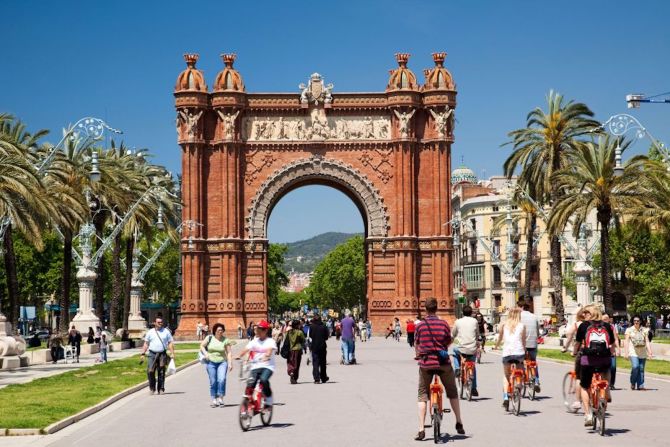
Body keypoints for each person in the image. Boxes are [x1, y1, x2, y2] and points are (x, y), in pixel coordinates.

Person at [414, 297, 465, 441]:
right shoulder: (443, 324)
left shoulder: (420, 326)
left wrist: (419, 354)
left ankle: (421, 429)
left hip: (426, 363)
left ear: (425, 309)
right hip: (443, 362)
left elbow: (417, 344)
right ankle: (459, 421)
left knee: (422, 394)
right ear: (436, 308)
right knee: (452, 392)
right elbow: (449, 341)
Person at [573, 304, 615, 427]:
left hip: (588, 360)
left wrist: (574, 352)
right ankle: (606, 393)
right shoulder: (607, 326)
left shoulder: (583, 326)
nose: (584, 314)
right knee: (606, 378)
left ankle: (588, 414)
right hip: (604, 359)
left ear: (591, 314)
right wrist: (611, 354)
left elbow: (577, 343)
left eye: (586, 312)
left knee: (584, 386)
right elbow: (611, 344)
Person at [236, 320, 277, 409]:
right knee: (250, 383)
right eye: (257, 328)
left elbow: (269, 351)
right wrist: (239, 355)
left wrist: (267, 356)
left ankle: (269, 398)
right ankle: (248, 402)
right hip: (255, 366)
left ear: (265, 331)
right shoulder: (254, 341)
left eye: (260, 329)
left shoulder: (270, 341)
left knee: (263, 380)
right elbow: (246, 349)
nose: (257, 330)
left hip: (267, 366)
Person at [493, 307, 526, 410]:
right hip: (519, 353)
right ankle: (518, 389)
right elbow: (523, 340)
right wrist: (524, 351)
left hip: (507, 354)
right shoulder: (522, 326)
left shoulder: (503, 325)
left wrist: (496, 346)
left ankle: (506, 397)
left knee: (506, 375)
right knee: (521, 372)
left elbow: (500, 338)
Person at [199, 323, 234, 407]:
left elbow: (229, 353)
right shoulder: (209, 338)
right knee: (213, 381)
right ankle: (214, 399)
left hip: (222, 362)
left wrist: (230, 363)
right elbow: (202, 346)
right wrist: (206, 354)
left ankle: (221, 398)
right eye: (219, 330)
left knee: (221, 379)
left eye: (222, 330)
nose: (220, 332)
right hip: (211, 362)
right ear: (215, 331)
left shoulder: (226, 340)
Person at [561, 307, 588, 411]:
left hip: (582, 351)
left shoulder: (577, 325)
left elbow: (569, 338)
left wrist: (566, 348)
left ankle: (577, 401)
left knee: (578, 377)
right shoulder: (592, 324)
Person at [140, 316, 176, 395]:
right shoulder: (150, 332)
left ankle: (161, 388)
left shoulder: (166, 331)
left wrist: (172, 353)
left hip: (162, 354)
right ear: (154, 323)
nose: (160, 323)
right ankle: (152, 388)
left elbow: (170, 343)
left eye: (161, 322)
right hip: (152, 354)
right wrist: (143, 353)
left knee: (161, 372)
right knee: (150, 371)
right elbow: (146, 343)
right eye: (158, 322)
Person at [451, 305, 480, 397]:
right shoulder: (475, 321)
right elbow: (477, 333)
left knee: (454, 351)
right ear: (471, 313)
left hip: (461, 348)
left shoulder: (458, 321)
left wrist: (452, 339)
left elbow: (453, 334)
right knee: (472, 365)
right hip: (472, 348)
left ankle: (457, 368)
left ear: (462, 313)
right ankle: (474, 388)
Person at [625, 315, 653, 391]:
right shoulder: (629, 330)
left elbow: (647, 341)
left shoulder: (644, 330)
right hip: (633, 352)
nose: (636, 322)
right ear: (632, 321)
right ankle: (633, 382)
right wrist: (626, 352)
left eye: (638, 320)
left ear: (640, 321)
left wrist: (650, 352)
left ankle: (640, 385)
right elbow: (626, 341)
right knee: (635, 367)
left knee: (641, 369)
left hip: (642, 352)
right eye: (634, 321)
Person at [519, 302, 541, 392]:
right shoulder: (535, 316)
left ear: (522, 307)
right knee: (533, 362)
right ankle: (536, 381)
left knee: (520, 362)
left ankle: (524, 380)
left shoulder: (519, 316)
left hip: (522, 344)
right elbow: (537, 331)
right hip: (533, 344)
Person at [309, 314, 330, 383]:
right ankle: (323, 377)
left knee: (315, 363)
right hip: (322, 346)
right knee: (323, 363)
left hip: (314, 347)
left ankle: (316, 378)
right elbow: (327, 337)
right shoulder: (324, 326)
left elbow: (310, 336)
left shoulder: (311, 326)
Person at [602, 313, 621, 389]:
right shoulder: (599, 327)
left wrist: (618, 348)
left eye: (607, 318)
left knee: (613, 367)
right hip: (602, 351)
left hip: (611, 351)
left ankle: (611, 384)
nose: (606, 320)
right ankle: (604, 383)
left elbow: (616, 339)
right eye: (604, 319)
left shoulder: (612, 327)